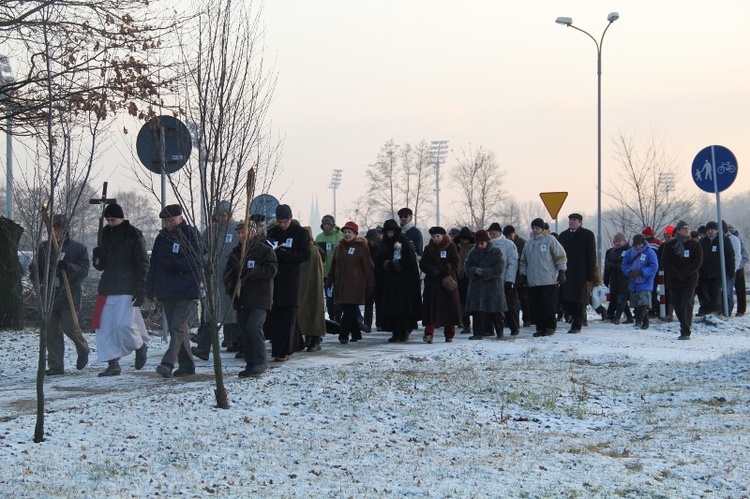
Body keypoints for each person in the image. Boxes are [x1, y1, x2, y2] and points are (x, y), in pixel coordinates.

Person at [146, 204, 204, 378]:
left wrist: (176, 265)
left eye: (171, 221)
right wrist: (149, 287)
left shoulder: (191, 235)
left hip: (185, 289)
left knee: (177, 328)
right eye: (166, 221)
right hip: (166, 290)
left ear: (180, 218)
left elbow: (196, 261)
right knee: (178, 330)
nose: (168, 224)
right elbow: (154, 264)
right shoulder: (162, 238)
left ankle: (167, 363)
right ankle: (187, 365)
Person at [92, 203, 149, 376]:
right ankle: (112, 362)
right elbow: (100, 267)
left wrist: (140, 288)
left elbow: (142, 263)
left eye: (113, 220)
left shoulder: (133, 234)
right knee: (104, 326)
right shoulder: (104, 234)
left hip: (127, 286)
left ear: (121, 217)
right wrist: (97, 258)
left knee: (124, 325)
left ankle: (139, 346)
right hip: (108, 286)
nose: (110, 223)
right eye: (108, 220)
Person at [30, 214, 90, 376]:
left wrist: (68, 267)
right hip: (49, 296)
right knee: (51, 332)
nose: (56, 232)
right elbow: (34, 269)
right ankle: (56, 366)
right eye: (53, 228)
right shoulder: (43, 248)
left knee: (70, 327)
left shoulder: (78, 249)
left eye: (59, 228)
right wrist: (39, 283)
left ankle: (83, 349)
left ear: (65, 229)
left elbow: (84, 270)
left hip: (68, 294)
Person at [223, 221, 278, 378]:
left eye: (243, 232)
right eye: (239, 233)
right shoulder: (235, 253)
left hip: (260, 297)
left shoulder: (264, 250)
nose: (241, 236)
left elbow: (272, 269)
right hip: (242, 299)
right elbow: (227, 274)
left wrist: (251, 272)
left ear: (253, 232)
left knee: (254, 327)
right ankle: (250, 363)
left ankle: (261, 361)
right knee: (245, 331)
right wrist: (231, 287)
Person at [193, 200, 239, 360]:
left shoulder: (237, 230)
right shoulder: (210, 231)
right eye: (219, 215)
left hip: (231, 279)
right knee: (210, 314)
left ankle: (239, 344)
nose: (222, 218)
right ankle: (204, 348)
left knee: (235, 313)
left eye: (225, 214)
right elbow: (201, 250)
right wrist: (206, 260)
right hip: (214, 279)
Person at [265, 204, 311, 362]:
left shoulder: (301, 233)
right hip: (276, 278)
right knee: (277, 316)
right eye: (280, 222)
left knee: (289, 314)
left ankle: (285, 350)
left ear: (290, 219)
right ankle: (282, 347)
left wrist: (286, 253)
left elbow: (305, 254)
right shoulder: (272, 233)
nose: (283, 225)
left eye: (285, 221)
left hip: (291, 278)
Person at [373, 219, 421, 342]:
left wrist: (395, 265)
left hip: (403, 283)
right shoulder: (384, 244)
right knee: (391, 308)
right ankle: (395, 331)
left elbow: (409, 261)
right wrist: (385, 265)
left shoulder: (404, 242)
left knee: (402, 308)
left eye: (391, 232)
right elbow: (379, 260)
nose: (389, 235)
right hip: (389, 282)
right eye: (387, 233)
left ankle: (404, 330)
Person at [327, 221, 375, 344]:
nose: (347, 235)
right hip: (340, 284)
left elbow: (367, 267)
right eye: (345, 232)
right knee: (350, 309)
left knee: (348, 310)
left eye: (350, 232)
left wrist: (370, 283)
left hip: (355, 284)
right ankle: (356, 333)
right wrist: (330, 280)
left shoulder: (361, 247)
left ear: (355, 234)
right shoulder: (338, 248)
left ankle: (343, 335)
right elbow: (333, 266)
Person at [519, 218, 567, 337]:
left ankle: (550, 326)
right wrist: (523, 274)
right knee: (536, 306)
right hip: (533, 280)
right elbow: (523, 261)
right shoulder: (529, 243)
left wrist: (561, 271)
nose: (535, 230)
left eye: (537, 228)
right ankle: (540, 327)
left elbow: (560, 256)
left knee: (548, 305)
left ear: (542, 228)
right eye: (533, 228)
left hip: (548, 279)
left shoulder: (550, 240)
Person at [419, 226, 462, 343]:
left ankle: (449, 334)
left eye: (438, 236)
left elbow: (455, 263)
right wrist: (432, 270)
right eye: (433, 236)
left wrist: (442, 269)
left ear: (443, 236)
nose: (436, 238)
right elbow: (422, 263)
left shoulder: (451, 247)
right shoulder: (428, 248)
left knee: (449, 309)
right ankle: (428, 334)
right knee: (430, 310)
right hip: (432, 283)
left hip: (446, 283)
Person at [661, 220, 703, 340]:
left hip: (690, 279)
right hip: (674, 280)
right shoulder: (670, 245)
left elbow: (698, 261)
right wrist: (676, 273)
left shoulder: (695, 244)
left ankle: (686, 329)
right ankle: (683, 325)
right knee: (678, 304)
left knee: (687, 303)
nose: (687, 230)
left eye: (688, 228)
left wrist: (685, 272)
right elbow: (665, 261)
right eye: (684, 228)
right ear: (678, 231)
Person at [557, 213, 596, 334]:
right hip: (566, 272)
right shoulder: (563, 236)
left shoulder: (587, 235)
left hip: (580, 272)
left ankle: (577, 324)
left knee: (579, 300)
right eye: (570, 220)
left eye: (574, 220)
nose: (571, 222)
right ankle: (572, 316)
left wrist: (590, 274)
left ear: (580, 222)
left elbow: (591, 255)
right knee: (566, 299)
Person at [464, 229, 505, 340]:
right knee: (477, 310)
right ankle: (478, 333)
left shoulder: (496, 251)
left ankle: (499, 332)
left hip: (493, 286)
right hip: (477, 286)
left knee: (495, 310)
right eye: (478, 243)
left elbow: (499, 268)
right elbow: (467, 265)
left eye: (482, 243)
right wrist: (474, 271)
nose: (480, 246)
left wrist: (484, 272)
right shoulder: (473, 251)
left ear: (487, 242)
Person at [297, 226, 327, 352]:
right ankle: (309, 338)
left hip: (311, 287)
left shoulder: (313, 251)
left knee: (313, 310)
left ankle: (314, 338)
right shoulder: (305, 249)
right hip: (303, 286)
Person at [621, 234, 659, 330]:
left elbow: (654, 267)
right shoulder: (629, 253)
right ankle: (645, 323)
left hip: (645, 281)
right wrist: (629, 273)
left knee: (643, 302)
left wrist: (642, 272)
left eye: (640, 244)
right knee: (637, 304)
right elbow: (624, 265)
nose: (638, 246)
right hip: (633, 282)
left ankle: (638, 322)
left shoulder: (650, 253)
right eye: (636, 244)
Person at [488, 222, 519, 336]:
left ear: (500, 233)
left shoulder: (508, 244)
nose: (492, 236)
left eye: (494, 233)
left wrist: (510, 280)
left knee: (509, 305)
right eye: (490, 234)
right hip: (492, 281)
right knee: (494, 306)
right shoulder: (488, 245)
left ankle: (514, 327)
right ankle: (495, 328)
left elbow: (512, 263)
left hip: (505, 279)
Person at [697, 221, 734, 316]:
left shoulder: (724, 240)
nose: (710, 231)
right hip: (705, 272)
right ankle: (708, 309)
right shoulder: (702, 242)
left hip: (718, 272)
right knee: (706, 292)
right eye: (708, 230)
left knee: (716, 291)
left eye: (712, 229)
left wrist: (731, 270)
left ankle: (717, 310)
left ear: (716, 230)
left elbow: (730, 255)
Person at [315, 214, 343, 322]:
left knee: (339, 296)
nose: (326, 226)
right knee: (329, 296)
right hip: (325, 273)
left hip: (338, 271)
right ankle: (332, 317)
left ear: (332, 224)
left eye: (328, 224)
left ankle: (338, 315)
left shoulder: (340, 236)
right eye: (324, 224)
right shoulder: (319, 237)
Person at [604, 233, 634, 325]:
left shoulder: (629, 250)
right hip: (614, 279)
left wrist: (611, 265)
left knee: (621, 298)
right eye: (616, 241)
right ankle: (629, 317)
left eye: (619, 241)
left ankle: (617, 318)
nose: (617, 243)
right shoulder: (612, 251)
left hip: (624, 279)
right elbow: (607, 264)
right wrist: (606, 278)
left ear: (624, 241)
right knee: (620, 299)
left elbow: (623, 265)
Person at [504, 225, 531, 328]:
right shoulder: (507, 244)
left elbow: (525, 259)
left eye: (510, 235)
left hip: (521, 274)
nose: (509, 238)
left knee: (524, 299)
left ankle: (527, 319)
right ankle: (510, 320)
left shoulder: (522, 243)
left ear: (514, 233)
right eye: (507, 236)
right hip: (511, 275)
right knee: (511, 300)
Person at [454, 227, 475, 334]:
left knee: (474, 303)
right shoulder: (457, 248)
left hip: (472, 278)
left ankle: (477, 325)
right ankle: (466, 325)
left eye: (466, 239)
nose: (464, 241)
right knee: (463, 303)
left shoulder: (474, 249)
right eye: (462, 239)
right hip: (460, 278)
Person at [362, 228, 382, 332]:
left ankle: (376, 323)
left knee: (376, 302)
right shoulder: (366, 248)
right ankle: (369, 324)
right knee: (369, 301)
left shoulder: (378, 248)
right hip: (371, 277)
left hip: (377, 277)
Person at [728, 224, 748, 316]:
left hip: (739, 268)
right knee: (728, 289)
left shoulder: (740, 241)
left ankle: (741, 310)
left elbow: (745, 257)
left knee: (740, 289)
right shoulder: (728, 239)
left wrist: (738, 266)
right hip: (730, 268)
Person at [723, 220, 742, 316]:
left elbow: (737, 255)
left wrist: (734, 269)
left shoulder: (734, 239)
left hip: (730, 270)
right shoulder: (720, 238)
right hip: (721, 270)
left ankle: (728, 310)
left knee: (728, 291)